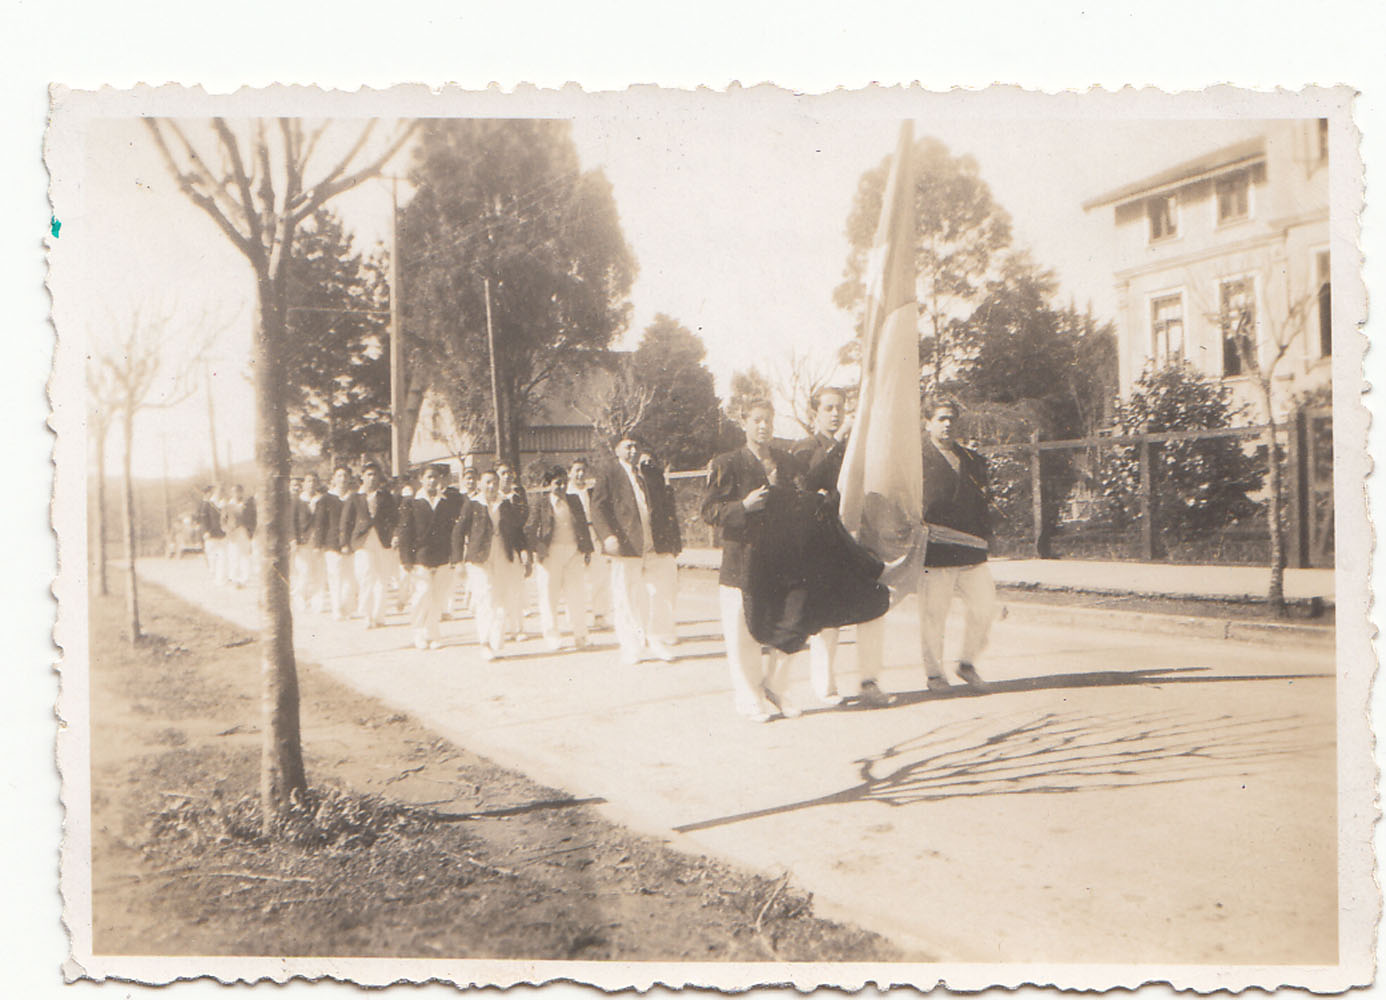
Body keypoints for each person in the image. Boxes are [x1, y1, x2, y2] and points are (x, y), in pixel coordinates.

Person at [702, 398, 805, 721]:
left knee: (791, 627)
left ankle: (774, 687)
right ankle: (748, 697)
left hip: (780, 562)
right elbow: (709, 510)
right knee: (743, 631)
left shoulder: (786, 462)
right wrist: (742, 507)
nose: (764, 426)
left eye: (769, 421)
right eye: (757, 420)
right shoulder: (728, 462)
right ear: (744, 422)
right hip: (742, 562)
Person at [918, 398, 997, 691]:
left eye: (951, 418)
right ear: (927, 423)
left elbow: (982, 502)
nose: (947, 423)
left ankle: (967, 663)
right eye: (940, 418)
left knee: (984, 607)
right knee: (934, 615)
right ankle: (935, 675)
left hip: (970, 548)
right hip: (935, 551)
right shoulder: (915, 458)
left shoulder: (972, 460)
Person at [790, 387, 856, 706]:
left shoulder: (850, 446)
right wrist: (839, 442)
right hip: (814, 539)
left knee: (833, 615)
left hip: (842, 537)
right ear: (815, 413)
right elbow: (808, 482)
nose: (835, 414)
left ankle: (827, 681)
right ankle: (823, 685)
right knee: (818, 615)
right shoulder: (805, 447)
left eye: (839, 408)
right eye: (828, 408)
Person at [590, 433, 680, 666]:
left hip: (654, 544)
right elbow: (598, 508)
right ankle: (632, 647)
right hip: (626, 545)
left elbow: (663, 507)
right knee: (627, 597)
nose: (633, 451)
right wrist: (607, 535)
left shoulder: (649, 473)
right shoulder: (610, 473)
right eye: (628, 446)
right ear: (616, 449)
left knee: (659, 594)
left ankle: (657, 640)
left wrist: (670, 540)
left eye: (635, 446)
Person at [452, 468, 531, 660]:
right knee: (485, 597)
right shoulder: (472, 504)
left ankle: (495, 638)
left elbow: (516, 530)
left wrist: (523, 551)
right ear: (480, 484)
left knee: (501, 598)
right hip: (479, 557)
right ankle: (484, 642)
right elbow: (458, 532)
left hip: (502, 553)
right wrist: (458, 561)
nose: (491, 486)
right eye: (487, 482)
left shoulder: (504, 504)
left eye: (494, 482)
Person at [396, 464, 462, 650]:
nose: (433, 481)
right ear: (421, 480)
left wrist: (454, 556)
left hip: (442, 555)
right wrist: (406, 559)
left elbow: (453, 531)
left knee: (437, 596)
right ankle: (418, 631)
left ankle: (432, 632)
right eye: (429, 477)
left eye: (436, 477)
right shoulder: (412, 502)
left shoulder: (447, 502)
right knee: (422, 594)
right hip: (420, 556)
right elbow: (405, 532)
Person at [527, 466, 592, 651]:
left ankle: (580, 635)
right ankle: (552, 636)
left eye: (564, 482)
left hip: (573, 553)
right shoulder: (541, 502)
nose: (562, 486)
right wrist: (537, 547)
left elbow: (583, 526)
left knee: (577, 595)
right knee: (549, 597)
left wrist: (587, 549)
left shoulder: (574, 500)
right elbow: (530, 528)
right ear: (549, 484)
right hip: (550, 554)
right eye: (557, 483)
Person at [341, 462, 398, 629]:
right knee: (365, 576)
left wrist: (395, 535)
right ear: (362, 477)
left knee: (382, 578)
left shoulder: (386, 497)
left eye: (375, 474)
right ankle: (366, 615)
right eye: (368, 474)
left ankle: (379, 616)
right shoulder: (354, 498)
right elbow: (345, 522)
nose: (372, 478)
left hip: (382, 540)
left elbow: (394, 519)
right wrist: (344, 543)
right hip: (362, 541)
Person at [568, 457, 611, 630]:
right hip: (574, 536)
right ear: (569, 473)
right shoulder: (566, 493)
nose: (580, 474)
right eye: (576, 470)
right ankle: (575, 618)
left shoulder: (592, 492)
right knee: (574, 578)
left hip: (593, 534)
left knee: (599, 576)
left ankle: (599, 615)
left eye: (583, 470)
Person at [495, 461, 530, 640]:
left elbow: (521, 527)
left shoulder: (518, 497)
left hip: (513, 548)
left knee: (515, 589)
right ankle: (499, 630)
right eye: (503, 473)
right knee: (497, 592)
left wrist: (524, 550)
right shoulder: (491, 498)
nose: (507, 476)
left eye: (509, 473)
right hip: (494, 551)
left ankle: (517, 628)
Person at [322, 465, 356, 620]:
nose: (342, 479)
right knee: (335, 577)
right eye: (339, 476)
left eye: (345, 476)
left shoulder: (354, 498)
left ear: (349, 478)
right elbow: (320, 523)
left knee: (350, 578)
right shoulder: (326, 499)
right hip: (332, 544)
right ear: (333, 479)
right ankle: (337, 609)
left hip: (352, 544)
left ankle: (347, 608)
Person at [292, 472, 328, 612]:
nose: (311, 484)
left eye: (314, 481)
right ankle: (300, 599)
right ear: (303, 484)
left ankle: (317, 603)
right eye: (308, 481)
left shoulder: (322, 500)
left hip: (319, 542)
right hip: (303, 542)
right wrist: (293, 539)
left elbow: (326, 522)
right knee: (304, 572)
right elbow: (291, 522)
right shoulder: (297, 500)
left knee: (319, 574)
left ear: (317, 483)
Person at [222, 484, 254, 588]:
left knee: (245, 555)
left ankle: (245, 578)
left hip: (244, 531)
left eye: (239, 492)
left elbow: (253, 519)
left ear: (242, 492)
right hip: (233, 532)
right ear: (232, 493)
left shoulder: (247, 504)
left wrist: (250, 532)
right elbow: (223, 521)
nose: (236, 494)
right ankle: (234, 578)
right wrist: (227, 530)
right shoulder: (228, 505)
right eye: (234, 492)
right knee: (233, 555)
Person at [196, 485, 227, 586]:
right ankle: (213, 574)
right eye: (216, 492)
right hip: (210, 534)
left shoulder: (223, 504)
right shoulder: (207, 504)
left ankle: (220, 578)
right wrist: (205, 532)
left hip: (221, 534)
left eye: (220, 492)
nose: (218, 494)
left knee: (222, 557)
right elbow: (203, 520)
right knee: (212, 557)